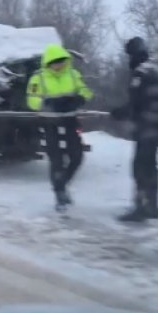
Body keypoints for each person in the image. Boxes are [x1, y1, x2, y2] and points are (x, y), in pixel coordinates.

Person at [26, 44, 93, 210]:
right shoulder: (38, 78)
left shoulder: (73, 74)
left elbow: (86, 91)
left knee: (77, 156)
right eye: (55, 62)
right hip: (49, 121)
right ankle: (59, 194)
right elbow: (31, 100)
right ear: (48, 63)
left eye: (62, 61)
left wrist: (80, 98)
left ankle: (62, 183)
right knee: (56, 158)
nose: (59, 65)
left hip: (70, 119)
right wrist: (49, 103)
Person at [110, 37, 158, 222]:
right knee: (151, 165)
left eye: (128, 54)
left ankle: (141, 207)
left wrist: (119, 112)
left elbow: (136, 102)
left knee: (140, 167)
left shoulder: (140, 73)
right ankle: (152, 205)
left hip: (146, 127)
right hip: (157, 126)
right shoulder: (155, 71)